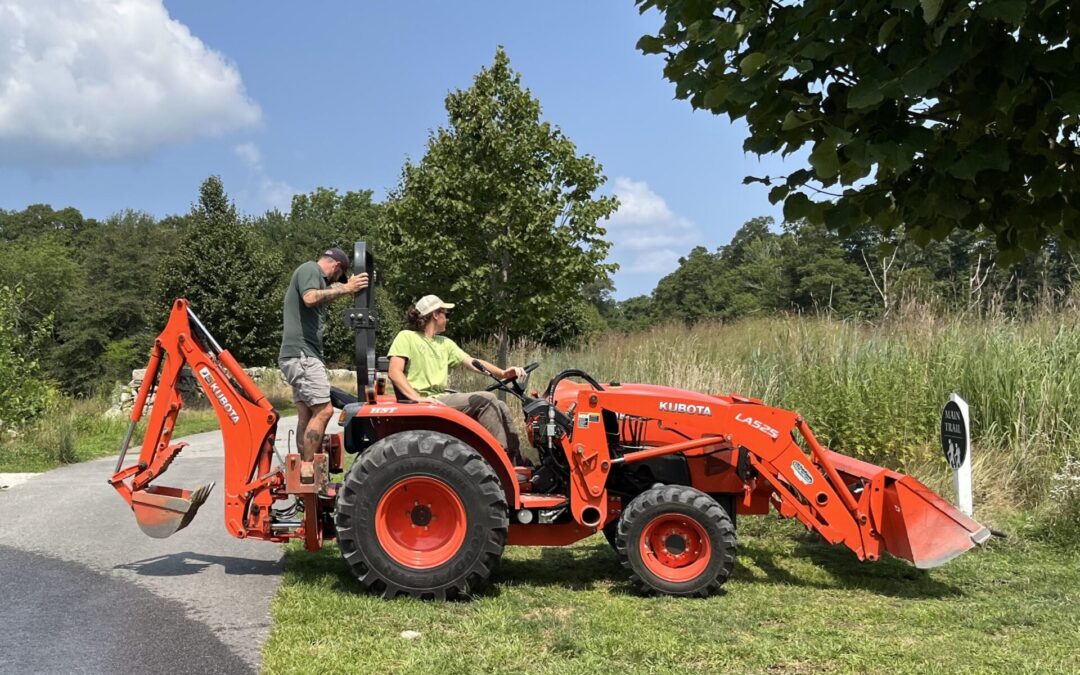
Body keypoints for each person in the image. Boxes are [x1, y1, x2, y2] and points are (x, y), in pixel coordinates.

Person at [387, 294, 531, 467]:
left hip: (440, 398)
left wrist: (503, 373)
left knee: (500, 405)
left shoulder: (444, 343)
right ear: (435, 314)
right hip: (426, 401)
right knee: (486, 399)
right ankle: (501, 460)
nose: (447, 319)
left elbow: (471, 362)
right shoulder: (407, 337)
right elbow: (395, 372)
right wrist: (418, 398)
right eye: (446, 314)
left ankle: (517, 460)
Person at [278, 247, 368, 477]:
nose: (338, 282)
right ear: (336, 267)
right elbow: (310, 298)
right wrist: (347, 288)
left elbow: (329, 290)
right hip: (303, 355)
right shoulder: (310, 269)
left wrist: (347, 288)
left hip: (297, 356)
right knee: (324, 410)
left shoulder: (317, 278)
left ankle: (304, 468)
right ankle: (308, 468)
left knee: (306, 414)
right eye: (340, 277)